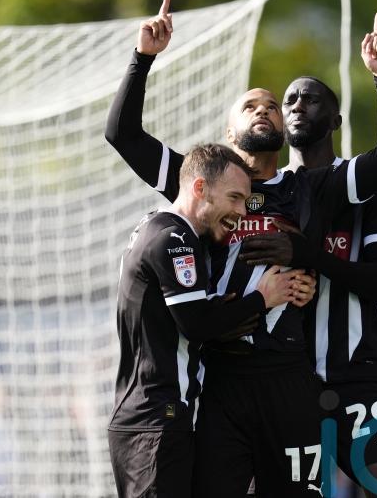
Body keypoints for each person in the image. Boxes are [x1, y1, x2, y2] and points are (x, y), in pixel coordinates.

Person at [105, 0, 377, 498]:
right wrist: (143, 59)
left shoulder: (311, 188)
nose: (267, 109)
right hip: (221, 379)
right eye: (252, 105)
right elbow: (123, 134)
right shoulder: (202, 185)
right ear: (229, 132)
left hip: (287, 379)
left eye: (274, 104)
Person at [238, 71, 377, 496]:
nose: (297, 105)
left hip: (357, 377)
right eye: (290, 99)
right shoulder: (256, 193)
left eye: (311, 99)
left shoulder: (369, 186)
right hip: (283, 383)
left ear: (336, 119)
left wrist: (310, 256)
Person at [107, 143, 308, 498]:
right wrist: (263, 298)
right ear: (200, 188)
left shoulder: (154, 226)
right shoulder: (176, 239)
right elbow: (196, 323)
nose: (241, 211)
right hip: (158, 421)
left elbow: (190, 313)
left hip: (148, 418)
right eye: (234, 197)